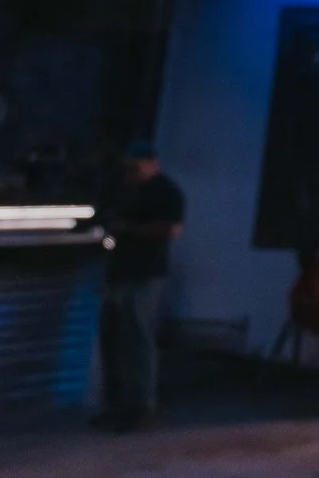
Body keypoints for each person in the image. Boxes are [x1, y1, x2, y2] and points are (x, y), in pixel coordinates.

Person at [98, 141, 184, 431]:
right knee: (113, 337)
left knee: (137, 336)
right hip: (119, 271)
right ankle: (116, 403)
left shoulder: (166, 192)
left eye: (135, 167)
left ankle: (141, 405)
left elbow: (170, 230)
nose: (131, 173)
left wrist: (128, 230)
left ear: (150, 164)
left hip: (146, 273)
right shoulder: (125, 190)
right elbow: (110, 225)